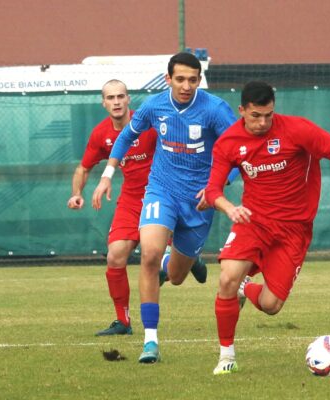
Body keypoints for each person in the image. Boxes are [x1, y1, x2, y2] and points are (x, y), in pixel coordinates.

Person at [203, 81, 330, 375]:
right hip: (253, 221)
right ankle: (227, 356)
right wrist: (229, 207)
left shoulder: (297, 130)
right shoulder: (227, 142)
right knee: (226, 277)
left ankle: (245, 288)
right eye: (255, 116)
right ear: (242, 111)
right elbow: (212, 189)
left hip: (293, 231)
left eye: (268, 115)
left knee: (271, 305)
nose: (263, 122)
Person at [92, 52, 237, 363]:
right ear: (168, 79)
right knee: (149, 254)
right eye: (180, 79)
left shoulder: (214, 109)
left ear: (200, 81)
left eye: (193, 80)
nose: (186, 86)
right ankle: (151, 341)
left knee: (176, 275)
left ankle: (180, 259)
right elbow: (127, 136)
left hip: (199, 201)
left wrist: (218, 186)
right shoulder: (154, 106)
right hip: (161, 191)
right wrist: (107, 175)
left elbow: (240, 150)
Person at [68, 79, 207, 337]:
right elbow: (84, 167)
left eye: (121, 96)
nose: (117, 101)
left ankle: (184, 257)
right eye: (111, 97)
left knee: (158, 261)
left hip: (164, 194)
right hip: (131, 199)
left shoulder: (151, 123)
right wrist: (77, 194)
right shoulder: (101, 134)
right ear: (104, 103)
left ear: (129, 99)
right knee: (115, 256)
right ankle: (123, 321)